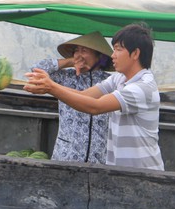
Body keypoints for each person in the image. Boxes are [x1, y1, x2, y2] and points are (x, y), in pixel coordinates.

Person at [25, 23, 164, 170]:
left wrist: (51, 87)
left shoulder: (142, 88)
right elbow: (85, 96)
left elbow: (95, 106)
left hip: (143, 173)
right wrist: (53, 85)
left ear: (135, 53)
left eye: (118, 49)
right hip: (118, 170)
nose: (113, 55)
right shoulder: (119, 79)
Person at [32, 31, 113, 163]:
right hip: (66, 156)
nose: (79, 55)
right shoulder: (65, 77)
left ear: (99, 57)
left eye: (84, 50)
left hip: (99, 159)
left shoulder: (110, 81)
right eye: (76, 51)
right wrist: (69, 61)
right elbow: (35, 70)